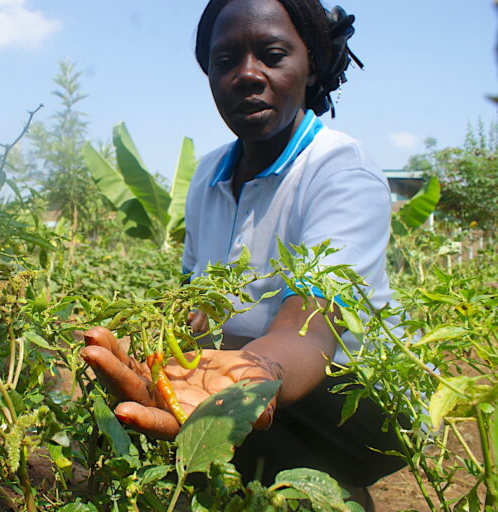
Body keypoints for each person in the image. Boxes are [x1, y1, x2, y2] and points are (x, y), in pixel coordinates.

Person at [80, 0, 405, 507]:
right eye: (226, 60)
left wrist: (256, 377)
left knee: (253, 422)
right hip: (264, 374)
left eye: (272, 55)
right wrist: (156, 353)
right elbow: (196, 310)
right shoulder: (207, 177)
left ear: (311, 64)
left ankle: (337, 487)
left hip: (357, 402)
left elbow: (313, 327)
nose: (247, 74)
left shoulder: (340, 169)